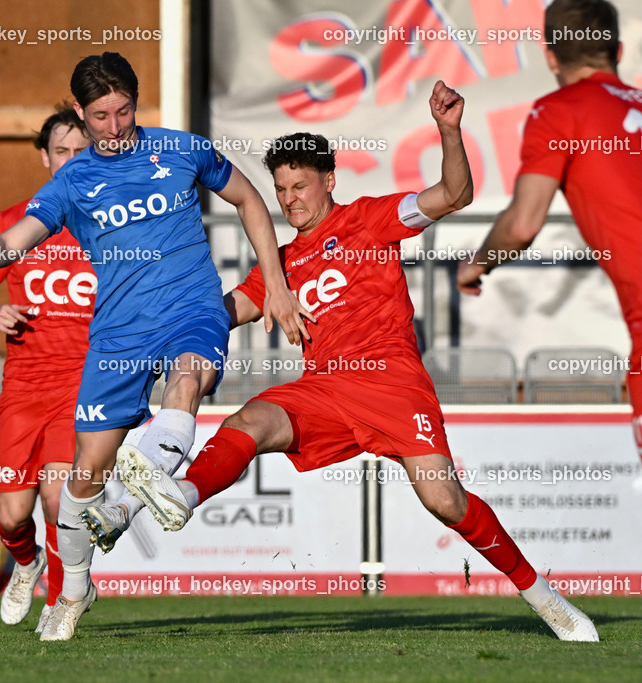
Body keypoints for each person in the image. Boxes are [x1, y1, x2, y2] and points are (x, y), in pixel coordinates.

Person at [117, 84, 600, 642]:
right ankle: (184, 495)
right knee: (250, 421)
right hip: (322, 388)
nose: (290, 199)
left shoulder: (372, 219)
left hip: (392, 381)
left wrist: (448, 129)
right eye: (280, 189)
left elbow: (454, 194)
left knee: (446, 502)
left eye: (300, 185)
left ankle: (543, 597)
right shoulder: (283, 264)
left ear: (329, 181)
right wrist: (162, 327)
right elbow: (227, 312)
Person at [0, 52, 309, 641]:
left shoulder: (183, 149)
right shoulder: (72, 182)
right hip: (117, 335)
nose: (115, 127)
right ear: (82, 118)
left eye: (124, 110)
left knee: (188, 378)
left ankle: (128, 508)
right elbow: (12, 244)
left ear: (137, 103)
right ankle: (77, 586)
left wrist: (278, 287)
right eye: (101, 116)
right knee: (83, 475)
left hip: (191, 308)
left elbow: (249, 201)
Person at [456, 0, 641, 467]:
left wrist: (478, 262)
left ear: (552, 57)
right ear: (617, 50)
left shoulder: (560, 111)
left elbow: (523, 223)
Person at [0, 105, 92, 632]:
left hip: (82, 383)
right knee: (12, 516)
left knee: (61, 499)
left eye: (81, 152)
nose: (71, 161)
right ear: (45, 158)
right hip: (23, 386)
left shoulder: (112, 224)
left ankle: (64, 605)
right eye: (61, 151)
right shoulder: (16, 223)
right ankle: (25, 563)